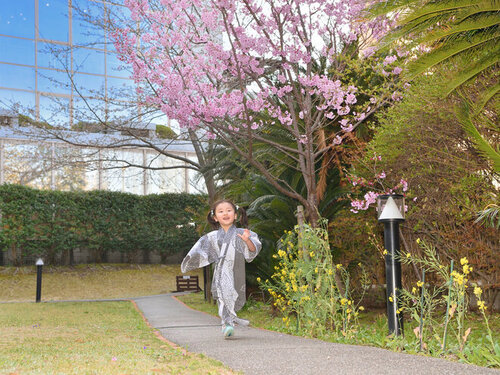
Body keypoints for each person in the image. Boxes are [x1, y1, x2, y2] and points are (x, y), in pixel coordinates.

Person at [181, 199, 261, 338]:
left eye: (229, 210)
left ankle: (231, 319)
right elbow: (200, 251)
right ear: (215, 217)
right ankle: (227, 324)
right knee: (223, 295)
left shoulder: (242, 233)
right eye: (221, 211)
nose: (225, 213)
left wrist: (247, 240)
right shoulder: (211, 237)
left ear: (235, 215)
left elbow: (252, 251)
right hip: (221, 271)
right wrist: (189, 262)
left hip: (236, 270)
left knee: (232, 295)